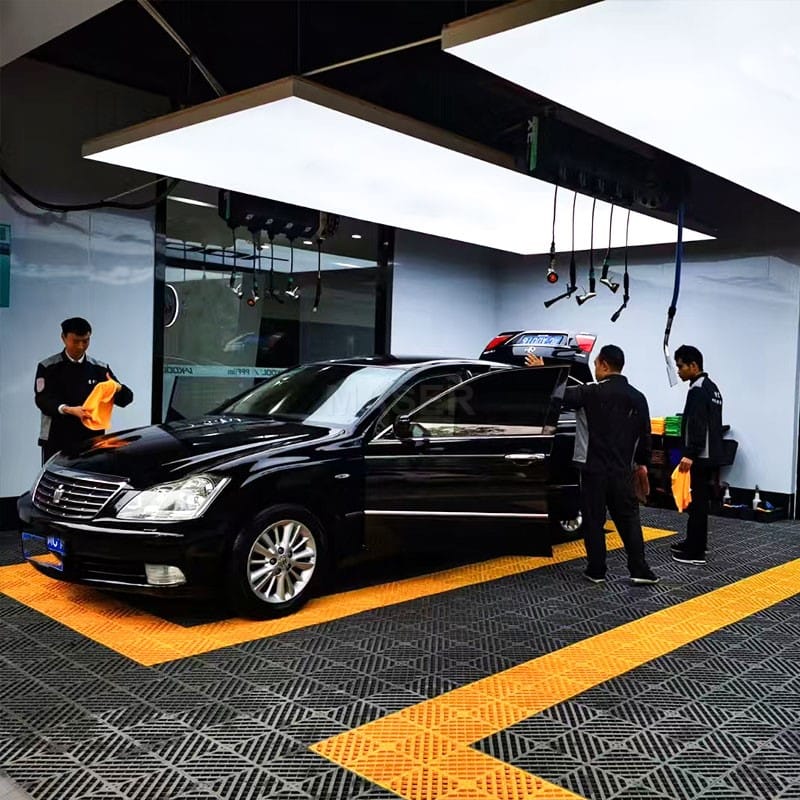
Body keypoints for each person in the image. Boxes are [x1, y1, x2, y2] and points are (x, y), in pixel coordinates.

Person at [561, 344, 659, 585]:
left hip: (593, 471)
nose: (595, 369)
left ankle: (596, 570)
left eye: (595, 364)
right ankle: (639, 570)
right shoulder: (638, 397)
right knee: (629, 520)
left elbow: (560, 395)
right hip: (623, 470)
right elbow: (646, 436)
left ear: (604, 364)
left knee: (594, 521)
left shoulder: (590, 392)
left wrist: (544, 371)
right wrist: (642, 464)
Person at [34, 317, 134, 463]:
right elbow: (42, 400)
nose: (81, 346)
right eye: (75, 341)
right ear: (63, 338)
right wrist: (67, 409)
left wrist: (118, 388)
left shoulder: (99, 368)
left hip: (91, 441)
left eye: (85, 341)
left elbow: (126, 399)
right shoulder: (48, 367)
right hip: (56, 439)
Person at [672, 344, 724, 565]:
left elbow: (697, 424)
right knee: (698, 503)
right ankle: (694, 542)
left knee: (698, 503)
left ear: (694, 366)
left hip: (700, 457)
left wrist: (690, 453)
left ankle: (695, 552)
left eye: (681, 366)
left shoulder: (698, 390)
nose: (678, 370)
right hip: (709, 455)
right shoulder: (712, 388)